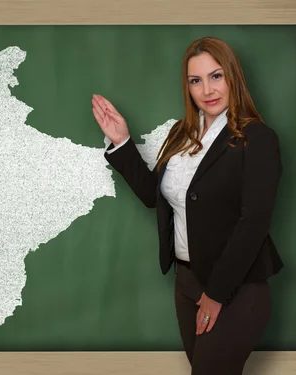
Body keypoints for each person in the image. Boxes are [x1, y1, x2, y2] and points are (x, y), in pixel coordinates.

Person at [92, 36, 284, 375]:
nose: (207, 89)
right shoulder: (181, 133)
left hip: (235, 289)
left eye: (216, 76)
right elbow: (156, 196)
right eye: (196, 80)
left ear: (232, 78)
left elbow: (253, 222)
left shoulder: (258, 138)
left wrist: (215, 294)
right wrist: (121, 141)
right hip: (187, 283)